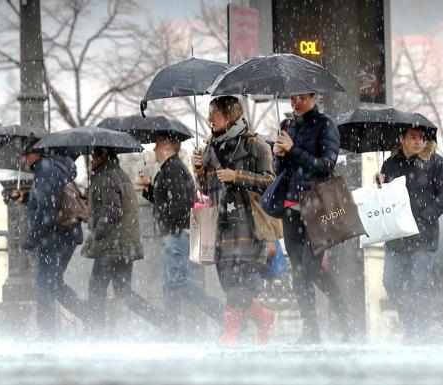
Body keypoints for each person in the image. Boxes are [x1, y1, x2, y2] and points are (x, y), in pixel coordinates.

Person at [191, 96, 276, 344]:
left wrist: (236, 176)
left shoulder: (255, 146)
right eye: (208, 114)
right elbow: (206, 190)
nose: (209, 119)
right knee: (228, 282)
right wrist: (199, 170)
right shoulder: (208, 149)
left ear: (229, 115)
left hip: (248, 224)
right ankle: (263, 317)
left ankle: (231, 334)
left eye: (214, 113)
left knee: (240, 280)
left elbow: (269, 182)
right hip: (221, 224)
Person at [273, 92, 351, 344]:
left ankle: (344, 315)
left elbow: (326, 165)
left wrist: (293, 150)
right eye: (293, 97)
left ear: (316, 97)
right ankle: (310, 331)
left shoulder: (326, 124)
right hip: (290, 207)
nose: (296, 102)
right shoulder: (286, 126)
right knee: (298, 272)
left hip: (317, 205)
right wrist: (278, 154)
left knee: (311, 265)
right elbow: (279, 170)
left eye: (303, 97)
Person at [136, 134, 223, 338]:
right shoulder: (170, 168)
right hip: (178, 233)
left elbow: (178, 204)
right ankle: (171, 328)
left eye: (157, 145)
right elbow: (165, 198)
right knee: (170, 285)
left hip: (178, 235)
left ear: (167, 147)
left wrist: (172, 226)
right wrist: (149, 187)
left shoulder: (173, 168)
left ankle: (220, 313)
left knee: (176, 281)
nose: (154, 150)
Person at [375, 127, 443, 343]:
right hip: (397, 237)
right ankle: (410, 324)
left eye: (421, 137)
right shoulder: (390, 164)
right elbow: (382, 198)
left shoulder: (435, 163)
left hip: (424, 236)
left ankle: (421, 331)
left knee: (420, 285)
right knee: (391, 282)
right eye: (412, 137)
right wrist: (379, 184)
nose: (418, 141)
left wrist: (426, 215)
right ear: (401, 139)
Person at [81, 147, 167, 336]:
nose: (91, 160)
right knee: (124, 292)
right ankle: (163, 321)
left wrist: (97, 233)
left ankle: (95, 333)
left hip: (111, 245)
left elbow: (112, 210)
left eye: (95, 156)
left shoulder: (105, 177)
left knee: (96, 289)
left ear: (103, 157)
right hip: (124, 245)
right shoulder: (119, 175)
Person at [11, 150, 86, 338]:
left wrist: (30, 239)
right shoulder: (57, 167)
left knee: (44, 284)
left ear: (34, 153)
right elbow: (48, 202)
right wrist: (25, 198)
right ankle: (91, 316)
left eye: (25, 154)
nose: (24, 159)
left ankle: (47, 334)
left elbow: (47, 213)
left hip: (55, 238)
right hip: (66, 235)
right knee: (54, 284)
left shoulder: (45, 169)